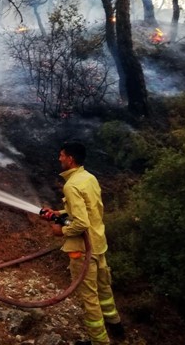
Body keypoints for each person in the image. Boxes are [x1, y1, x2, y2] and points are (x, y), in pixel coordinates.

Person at [41, 142, 124, 345]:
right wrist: (57, 213)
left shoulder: (71, 186)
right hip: (98, 244)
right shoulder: (89, 178)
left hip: (82, 250)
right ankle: (116, 327)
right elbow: (88, 210)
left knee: (89, 298)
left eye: (61, 155)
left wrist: (62, 231)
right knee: (104, 289)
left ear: (70, 159)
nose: (59, 158)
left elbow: (80, 222)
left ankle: (99, 341)